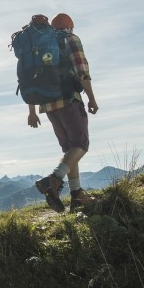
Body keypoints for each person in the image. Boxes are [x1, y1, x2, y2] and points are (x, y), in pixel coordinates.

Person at [28, 13, 98, 213]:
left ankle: (76, 196)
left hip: (47, 105)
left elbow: (29, 79)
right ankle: (54, 179)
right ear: (70, 27)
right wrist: (92, 98)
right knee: (80, 145)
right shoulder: (70, 39)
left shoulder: (40, 45)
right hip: (68, 99)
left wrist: (32, 112)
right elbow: (82, 70)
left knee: (69, 149)